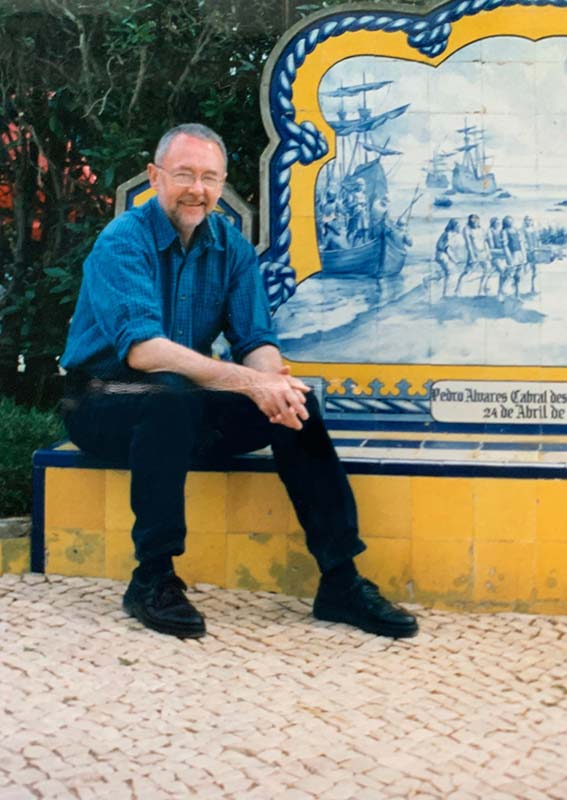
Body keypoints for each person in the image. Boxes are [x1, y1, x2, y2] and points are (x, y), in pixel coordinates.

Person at [60, 123, 418, 641]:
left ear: (222, 182)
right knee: (168, 401)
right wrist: (249, 383)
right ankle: (152, 578)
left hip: (177, 402)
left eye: (209, 177)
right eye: (184, 174)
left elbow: (255, 338)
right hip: (100, 400)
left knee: (300, 407)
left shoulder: (231, 248)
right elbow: (144, 350)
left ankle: (340, 579)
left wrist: (273, 384)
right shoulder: (123, 241)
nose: (197, 189)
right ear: (155, 176)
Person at [456, 213, 492, 296]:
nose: (475, 222)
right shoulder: (466, 229)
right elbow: (468, 244)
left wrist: (488, 253)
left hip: (483, 253)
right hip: (474, 253)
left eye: (476, 221)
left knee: (487, 270)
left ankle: (481, 290)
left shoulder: (481, 229)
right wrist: (472, 256)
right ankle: (458, 290)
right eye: (473, 221)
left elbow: (485, 242)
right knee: (468, 272)